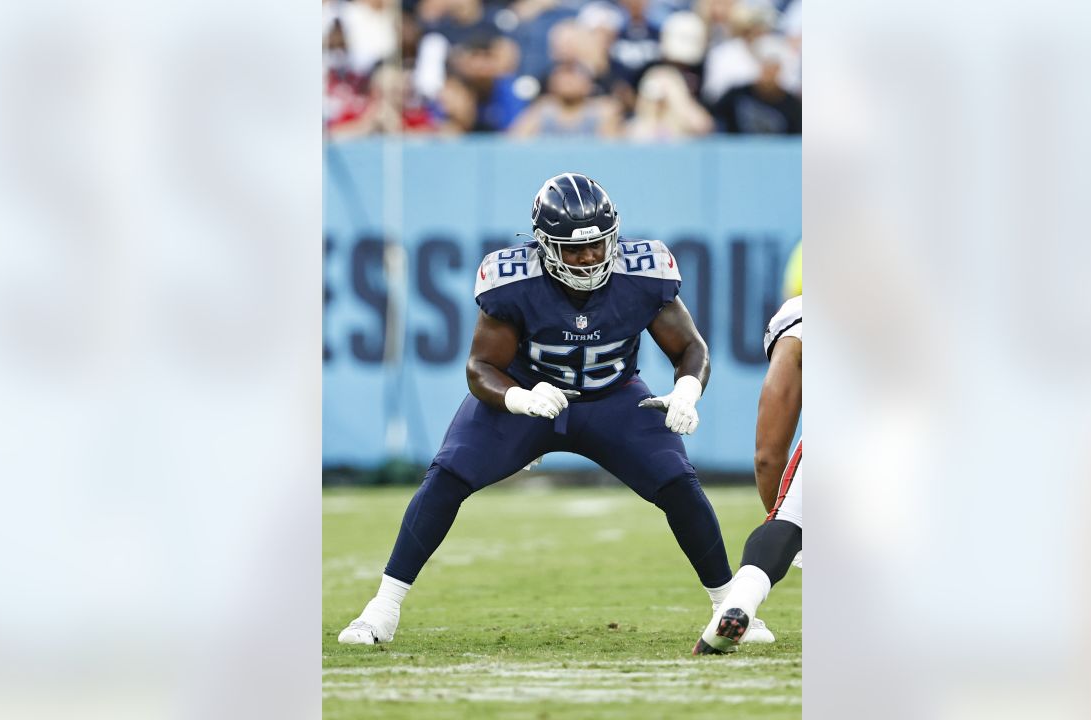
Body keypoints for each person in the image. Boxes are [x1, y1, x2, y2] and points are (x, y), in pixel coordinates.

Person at [339, 172, 775, 646]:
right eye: (573, 248)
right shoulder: (513, 281)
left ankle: (727, 604)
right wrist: (518, 398)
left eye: (597, 245)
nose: (588, 257)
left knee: (678, 482)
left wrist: (688, 389)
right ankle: (382, 608)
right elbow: (480, 366)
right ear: (544, 245)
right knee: (447, 476)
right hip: (530, 398)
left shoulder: (644, 272)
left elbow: (689, 346)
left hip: (613, 397)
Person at [693, 293, 802, 654]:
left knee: (788, 521)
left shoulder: (797, 321)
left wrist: (787, 529)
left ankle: (740, 600)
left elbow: (768, 458)